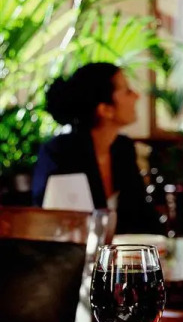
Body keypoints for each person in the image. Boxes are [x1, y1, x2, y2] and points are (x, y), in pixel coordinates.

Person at [32, 62, 163, 234]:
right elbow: (59, 224)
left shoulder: (123, 148)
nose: (136, 96)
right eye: (127, 91)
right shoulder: (60, 153)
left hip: (122, 250)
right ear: (105, 109)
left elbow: (142, 214)